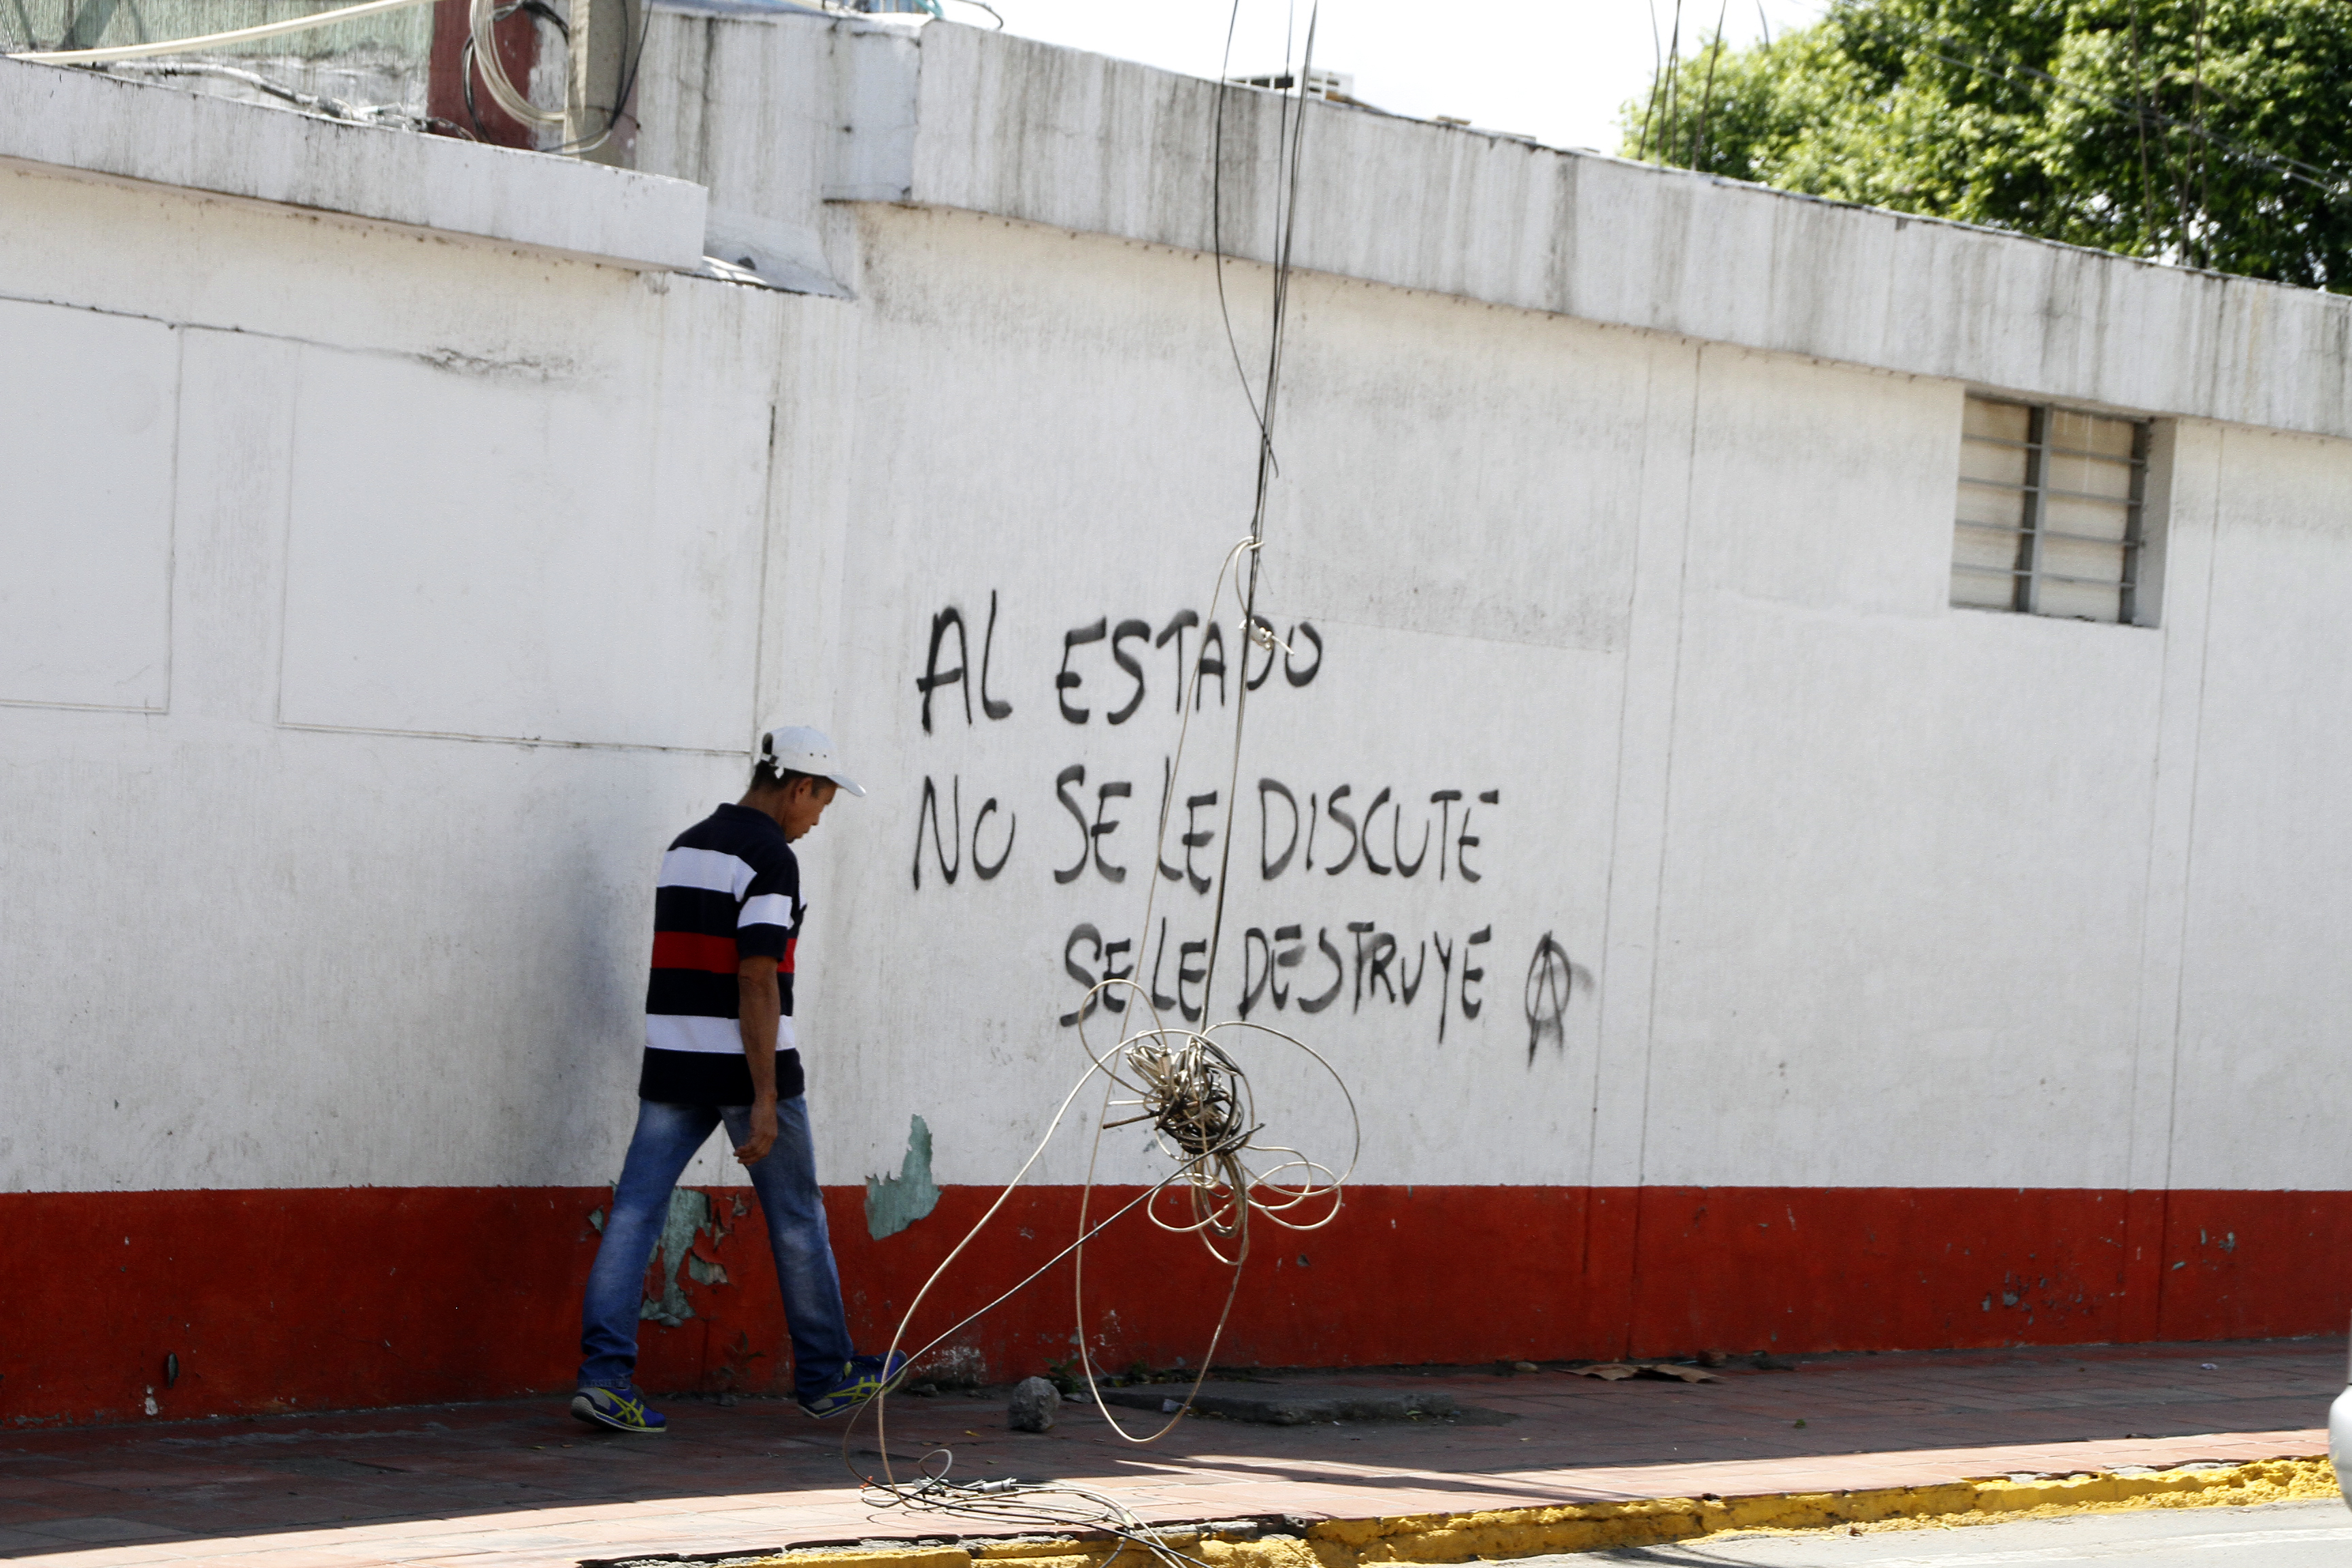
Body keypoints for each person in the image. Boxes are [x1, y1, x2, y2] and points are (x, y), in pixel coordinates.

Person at [572, 724, 906, 1433]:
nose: (818, 821)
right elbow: (756, 977)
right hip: (748, 1065)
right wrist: (764, 1095)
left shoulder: (686, 846)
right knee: (797, 1218)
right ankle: (826, 1376)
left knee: (635, 1212)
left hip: (673, 1059)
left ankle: (604, 1379)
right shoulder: (770, 858)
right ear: (799, 787)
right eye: (821, 804)